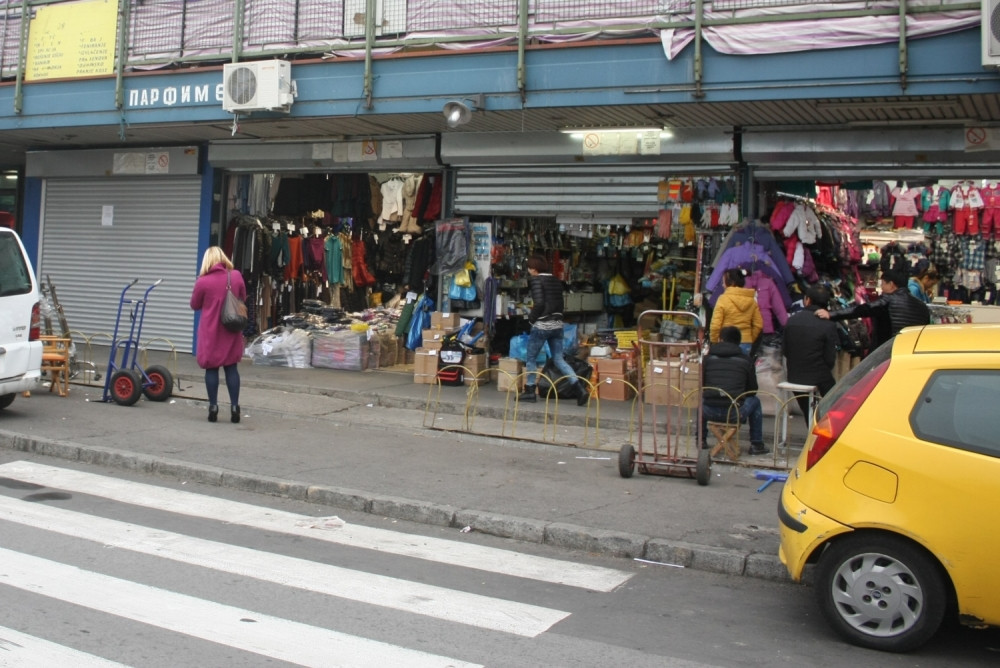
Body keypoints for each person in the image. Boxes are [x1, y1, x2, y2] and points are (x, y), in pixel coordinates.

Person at [518, 254, 588, 406]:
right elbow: (560, 303)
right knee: (558, 358)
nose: (529, 271)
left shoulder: (536, 281)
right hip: (557, 325)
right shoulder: (556, 281)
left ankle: (530, 390)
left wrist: (531, 319)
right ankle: (579, 389)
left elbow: (540, 303)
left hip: (542, 325)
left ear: (534, 269)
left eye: (529, 268)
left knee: (531, 358)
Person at [190, 246, 246, 423]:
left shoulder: (202, 282)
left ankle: (213, 407)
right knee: (231, 368)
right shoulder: (235, 276)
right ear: (223, 258)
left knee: (211, 368)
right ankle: (235, 407)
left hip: (211, 332)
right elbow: (242, 296)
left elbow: (194, 305)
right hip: (231, 329)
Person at [817, 269, 930, 349]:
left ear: (891, 284)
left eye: (883, 284)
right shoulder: (922, 306)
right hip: (912, 350)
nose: (881, 287)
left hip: (888, 350)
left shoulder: (888, 300)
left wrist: (831, 314)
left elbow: (861, 310)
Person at [702, 325, 769, 456]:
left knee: (702, 398)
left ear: (720, 340)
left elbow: (703, 385)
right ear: (739, 342)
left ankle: (701, 440)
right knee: (755, 401)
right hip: (734, 413)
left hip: (709, 411)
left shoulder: (708, 359)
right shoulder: (746, 360)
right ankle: (756, 444)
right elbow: (752, 390)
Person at [782, 285, 839, 418]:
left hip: (794, 375)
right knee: (836, 401)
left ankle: (812, 426)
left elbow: (785, 350)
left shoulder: (791, 320)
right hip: (819, 376)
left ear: (807, 300)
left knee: (808, 410)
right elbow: (830, 359)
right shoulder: (828, 325)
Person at [709, 268, 763, 356]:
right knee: (740, 368)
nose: (723, 285)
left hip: (725, 342)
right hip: (746, 343)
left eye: (723, 282)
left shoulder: (723, 299)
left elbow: (715, 326)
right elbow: (758, 324)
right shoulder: (752, 300)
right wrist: (749, 338)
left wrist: (715, 342)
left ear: (732, 283)